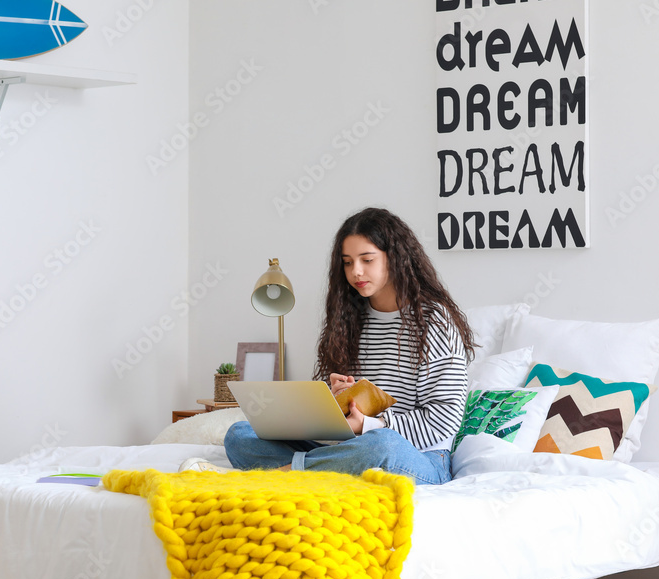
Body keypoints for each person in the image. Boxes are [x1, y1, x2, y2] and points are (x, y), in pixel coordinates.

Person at [182, 206, 474, 485]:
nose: (356, 271)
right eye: (347, 262)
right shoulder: (350, 319)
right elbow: (341, 420)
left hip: (419, 457)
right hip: (349, 447)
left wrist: (369, 425)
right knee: (239, 435)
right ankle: (320, 470)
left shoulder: (435, 322)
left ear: (395, 258)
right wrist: (333, 399)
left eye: (367, 260)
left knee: (382, 446)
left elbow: (444, 419)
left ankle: (287, 474)